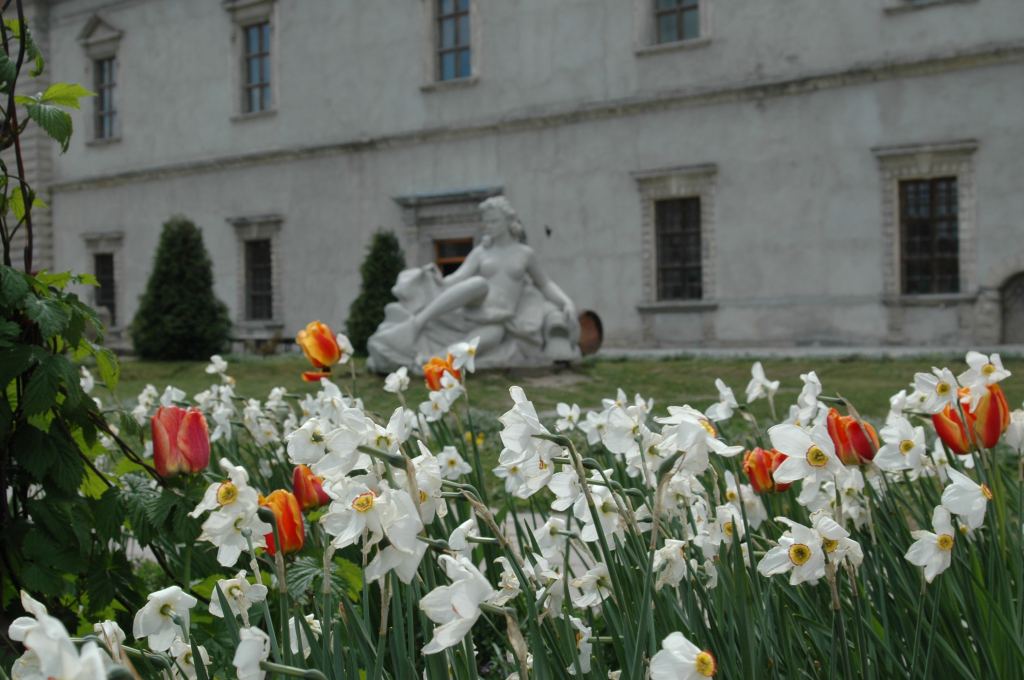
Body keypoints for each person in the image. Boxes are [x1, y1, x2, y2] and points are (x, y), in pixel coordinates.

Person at [366, 196, 580, 371]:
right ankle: (417, 323)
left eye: (494, 221)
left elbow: (545, 284)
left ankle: (433, 362)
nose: (489, 226)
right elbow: (457, 279)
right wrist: (434, 278)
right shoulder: (481, 253)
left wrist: (566, 302)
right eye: (486, 222)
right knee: (479, 283)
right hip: (477, 304)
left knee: (490, 337)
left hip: (501, 317)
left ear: (508, 221)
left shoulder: (525, 254)